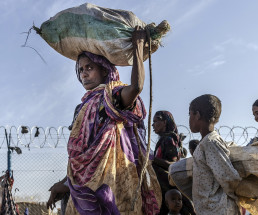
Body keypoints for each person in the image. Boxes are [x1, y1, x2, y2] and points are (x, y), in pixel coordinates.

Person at [47, 26, 161, 215]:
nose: (83, 73)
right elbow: (81, 158)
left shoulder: (111, 96)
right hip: (83, 189)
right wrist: (63, 184)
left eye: (89, 68)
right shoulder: (82, 107)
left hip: (113, 181)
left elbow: (136, 87)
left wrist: (137, 48)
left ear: (104, 70)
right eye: (81, 69)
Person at [190, 94, 242, 215]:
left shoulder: (210, 143)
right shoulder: (205, 143)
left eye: (190, 114)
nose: (189, 119)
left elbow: (229, 177)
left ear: (197, 115)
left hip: (218, 210)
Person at [152, 111, 195, 215]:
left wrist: (152, 159)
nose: (153, 124)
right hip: (163, 188)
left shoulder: (169, 139)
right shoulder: (163, 140)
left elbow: (173, 165)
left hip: (169, 188)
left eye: (156, 120)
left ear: (165, 122)